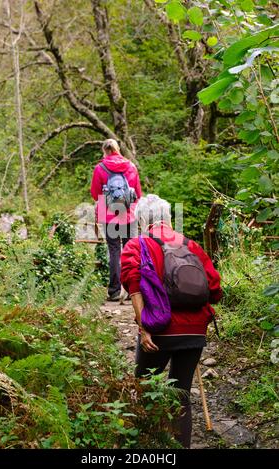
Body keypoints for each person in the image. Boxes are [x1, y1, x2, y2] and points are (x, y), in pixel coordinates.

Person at [120, 194, 222, 448]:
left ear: (142, 220)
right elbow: (215, 288)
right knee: (181, 394)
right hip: (195, 332)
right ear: (167, 218)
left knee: (143, 388)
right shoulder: (191, 245)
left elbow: (134, 289)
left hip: (159, 330)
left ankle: (140, 446)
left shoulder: (137, 245)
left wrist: (144, 330)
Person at [91, 139, 142, 301]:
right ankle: (131, 291)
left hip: (109, 215)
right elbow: (138, 193)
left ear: (104, 151)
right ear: (118, 149)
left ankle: (113, 291)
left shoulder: (100, 168)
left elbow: (95, 193)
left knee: (114, 251)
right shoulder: (131, 166)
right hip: (128, 214)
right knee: (130, 252)